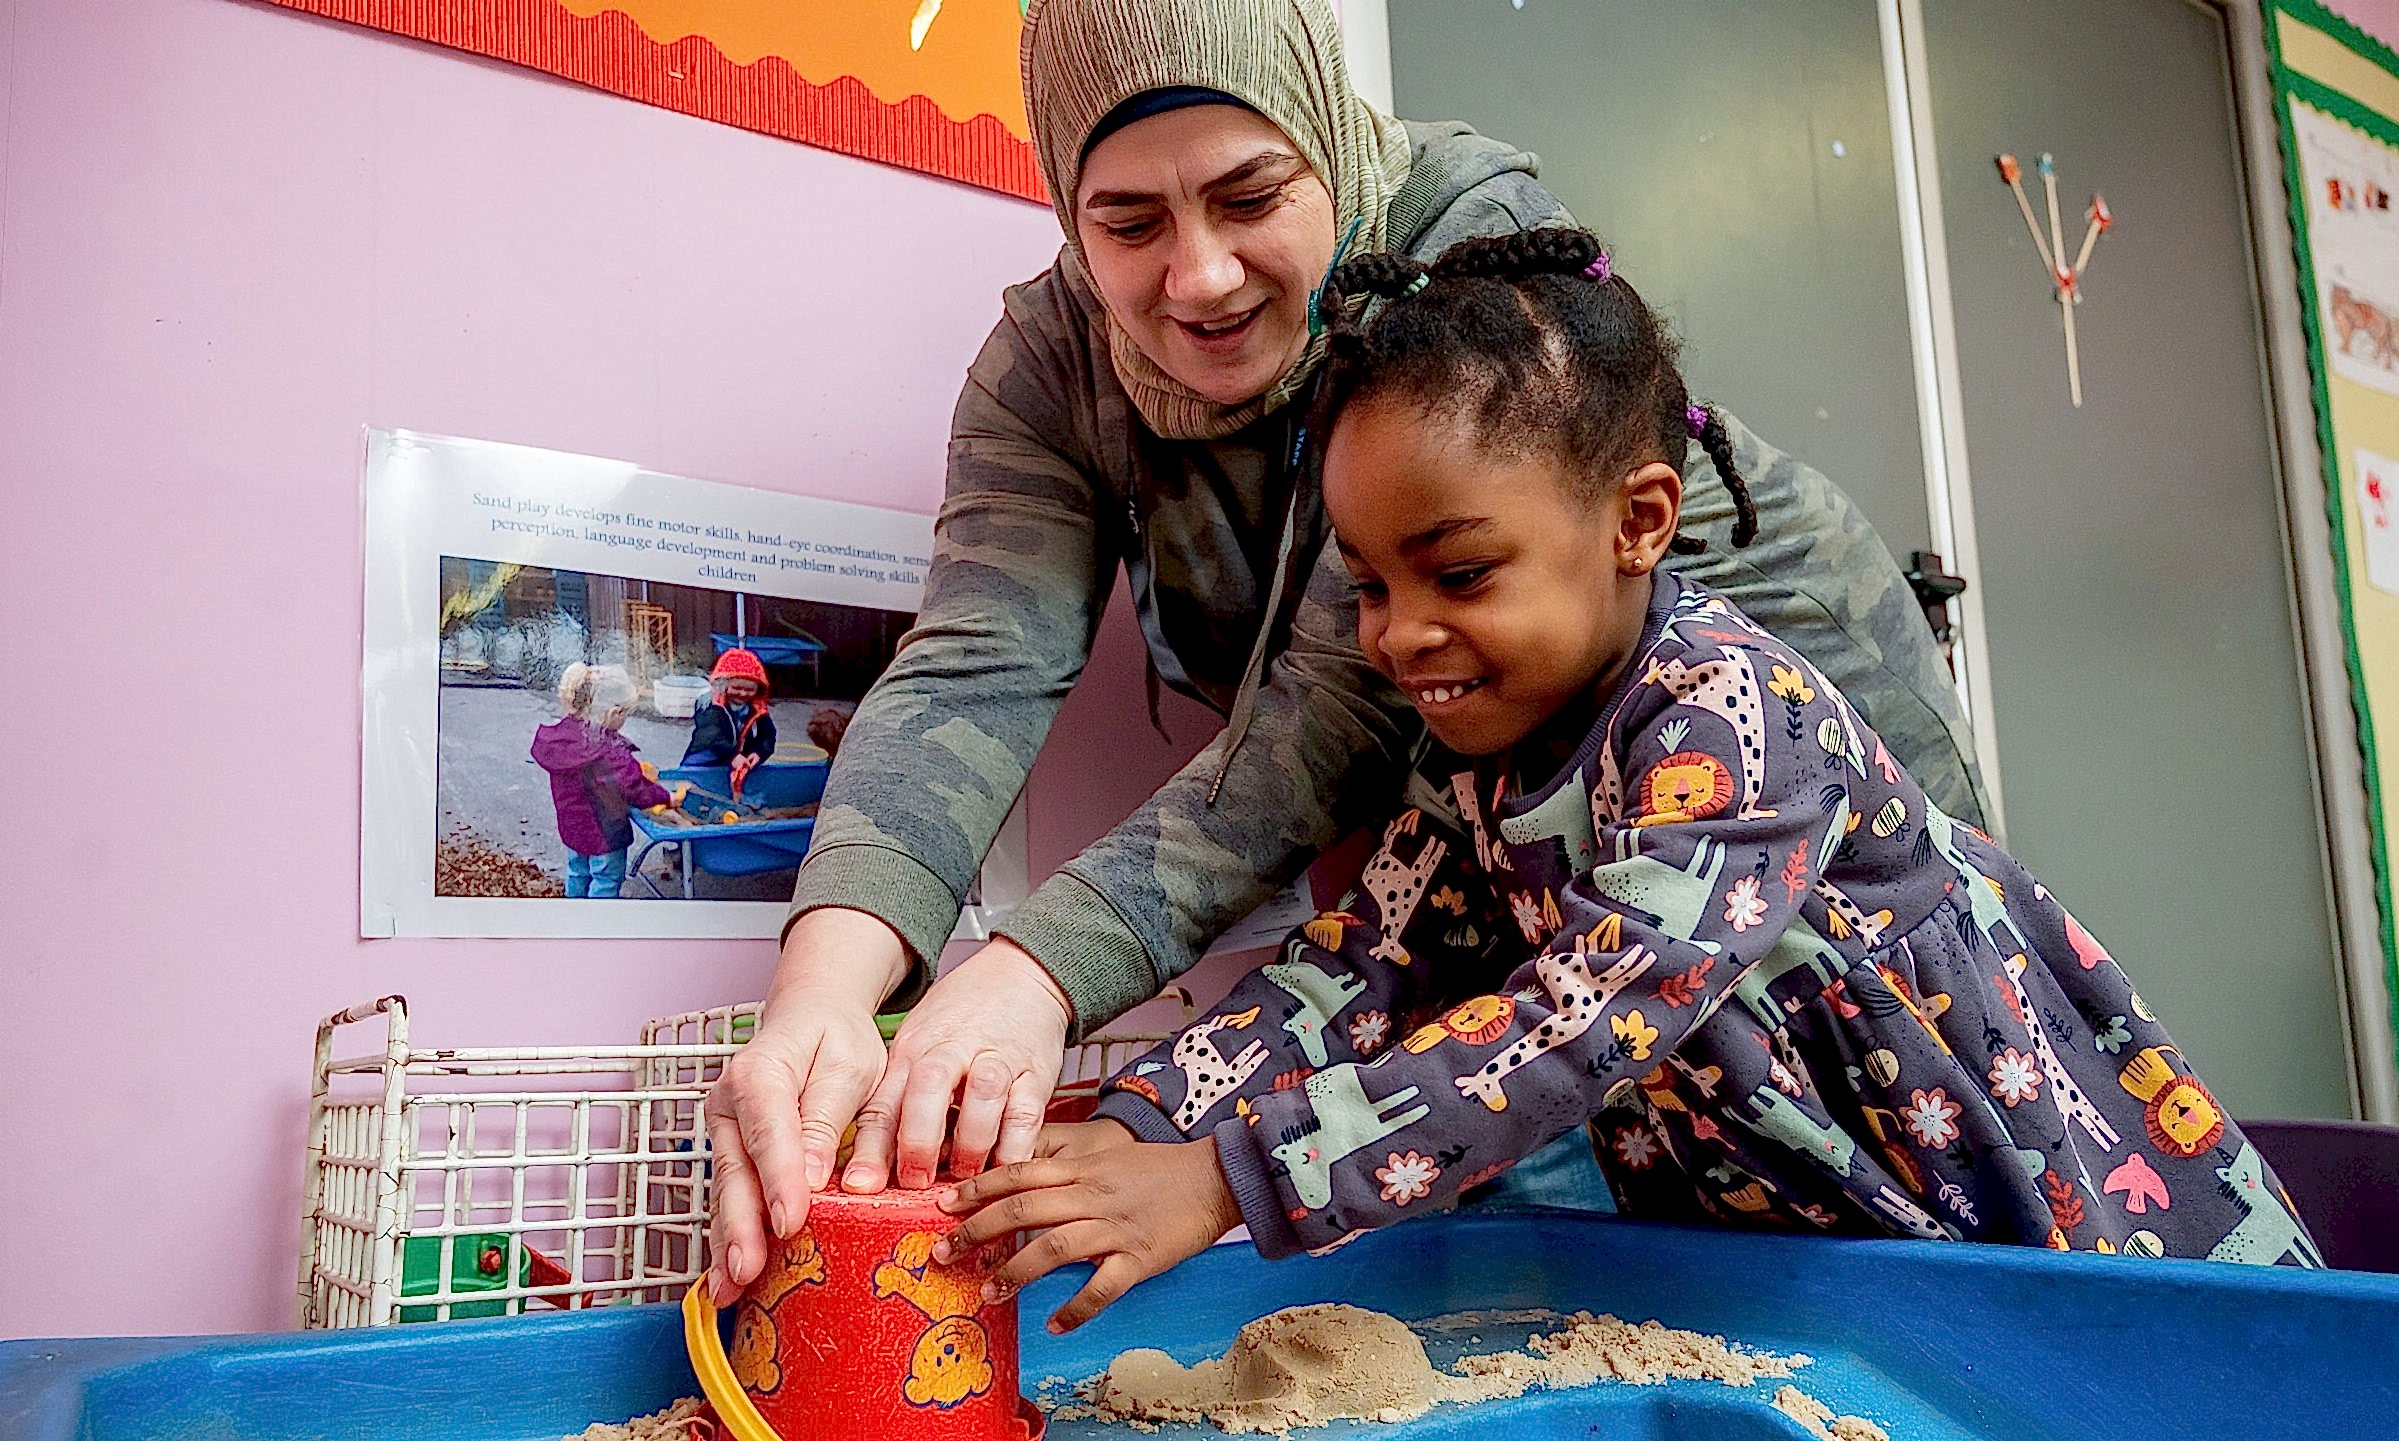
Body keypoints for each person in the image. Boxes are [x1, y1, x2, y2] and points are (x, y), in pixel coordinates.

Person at [703, 0, 1988, 1306]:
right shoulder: (1452, 773)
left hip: (1809, 910)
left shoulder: (1484, 271)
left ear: (1327, 143)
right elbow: (983, 667)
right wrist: (836, 997)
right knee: (1599, 1181)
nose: (1197, 277)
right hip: (1512, 824)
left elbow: (1354, 721)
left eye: (1251, 197)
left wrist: (1142, 1089)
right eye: (1129, 224)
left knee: (1848, 1158)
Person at [930, 230, 2319, 1334]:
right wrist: (1142, 1121)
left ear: (1638, 523)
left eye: (1460, 573)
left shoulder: (1731, 721)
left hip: (2020, 1229)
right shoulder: (1487, 758)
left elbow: (1589, 1015)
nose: (1403, 632)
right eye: (1366, 584)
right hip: (1805, 1269)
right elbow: (1352, 969)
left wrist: (1228, 1176)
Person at [533, 662, 670, 899]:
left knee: (578, 872)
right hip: (606, 830)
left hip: (572, 826)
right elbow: (633, 788)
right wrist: (667, 796)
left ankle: (574, 915)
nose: (623, 721)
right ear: (613, 713)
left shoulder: (564, 739)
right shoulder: (608, 750)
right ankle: (599, 925)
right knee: (606, 878)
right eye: (624, 715)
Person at [684, 647, 777, 798]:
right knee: (693, 787)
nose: (743, 693)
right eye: (736, 688)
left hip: (738, 759)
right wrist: (733, 755)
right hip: (706, 756)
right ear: (722, 685)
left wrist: (759, 753)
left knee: (738, 790)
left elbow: (768, 735)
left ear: (758, 690)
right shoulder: (710, 706)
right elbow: (712, 735)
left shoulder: (757, 709)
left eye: (750, 690)